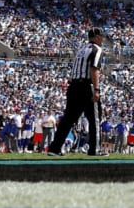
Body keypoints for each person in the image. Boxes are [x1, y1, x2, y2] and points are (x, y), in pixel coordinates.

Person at [46, 26, 108, 158]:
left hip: (74, 86)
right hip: (86, 86)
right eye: (101, 37)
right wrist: (96, 89)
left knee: (68, 119)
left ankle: (55, 148)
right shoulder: (97, 49)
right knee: (95, 119)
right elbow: (94, 69)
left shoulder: (81, 49)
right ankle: (94, 149)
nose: (103, 39)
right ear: (96, 37)